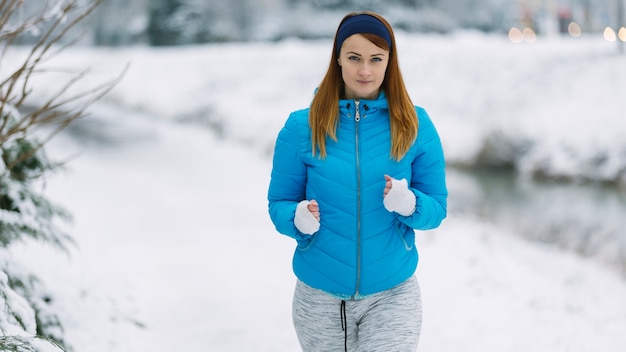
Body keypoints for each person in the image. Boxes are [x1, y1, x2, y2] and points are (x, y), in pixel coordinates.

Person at [267, 11, 447, 352]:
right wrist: (297, 219)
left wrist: (411, 205)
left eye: (376, 59)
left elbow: (437, 208)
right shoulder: (300, 128)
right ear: (337, 59)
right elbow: (278, 203)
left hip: (392, 293)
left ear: (389, 62)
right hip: (320, 297)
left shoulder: (415, 125)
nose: (365, 70)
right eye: (354, 58)